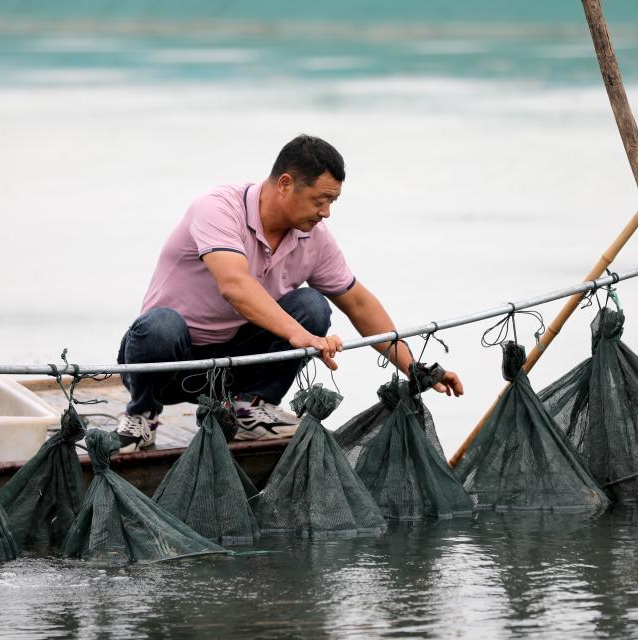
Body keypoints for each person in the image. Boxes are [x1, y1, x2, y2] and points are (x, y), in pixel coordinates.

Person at [116, 134, 463, 448]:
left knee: (313, 306)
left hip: (236, 366)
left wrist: (416, 368)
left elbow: (358, 302)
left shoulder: (314, 237)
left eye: (333, 202)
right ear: (285, 184)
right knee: (161, 325)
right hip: (167, 365)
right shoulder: (218, 208)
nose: (326, 213)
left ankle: (250, 407)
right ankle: (143, 413)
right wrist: (300, 335)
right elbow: (235, 286)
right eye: (320, 200)